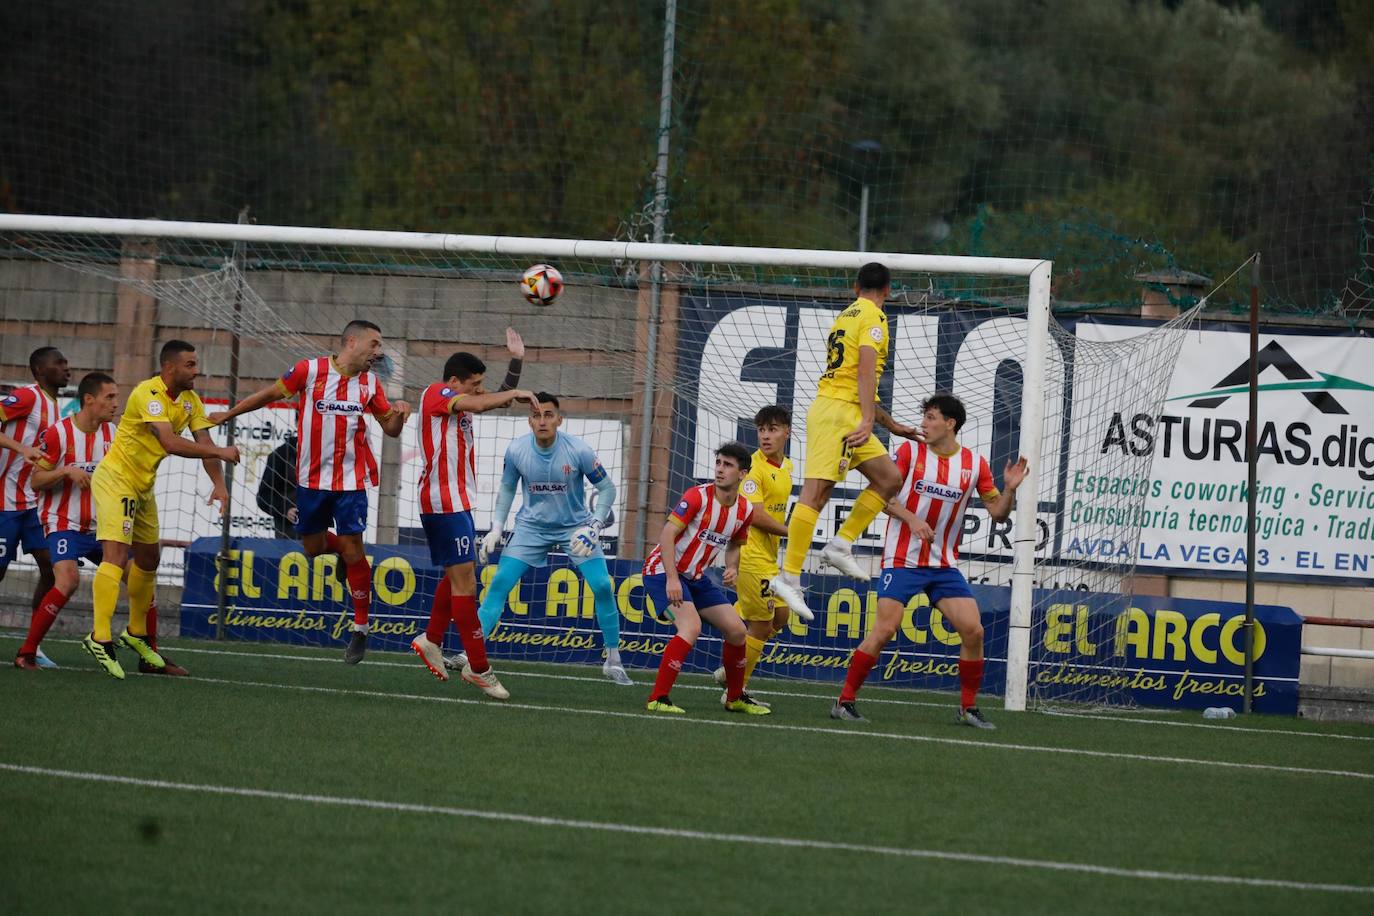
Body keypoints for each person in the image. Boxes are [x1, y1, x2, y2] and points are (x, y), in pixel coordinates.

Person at [209, 320, 411, 664]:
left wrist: (401, 415)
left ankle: (360, 629)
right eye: (374, 345)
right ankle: (345, 557)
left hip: (351, 481)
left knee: (354, 547)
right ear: (351, 341)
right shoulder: (310, 370)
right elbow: (270, 394)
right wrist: (229, 413)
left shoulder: (369, 384)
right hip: (311, 481)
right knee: (313, 548)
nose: (378, 352)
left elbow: (389, 429)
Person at [830, 393, 1027, 727]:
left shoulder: (974, 464)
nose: (923, 423)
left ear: (950, 424)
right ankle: (844, 702)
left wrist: (1009, 490)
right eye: (925, 417)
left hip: (943, 566)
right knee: (886, 629)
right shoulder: (909, 451)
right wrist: (912, 519)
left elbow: (997, 513)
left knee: (973, 630)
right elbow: (883, 496)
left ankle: (967, 708)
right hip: (901, 560)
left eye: (931, 417)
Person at [769, 263, 922, 619]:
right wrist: (870, 419)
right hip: (840, 413)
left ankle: (840, 544)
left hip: (847, 411)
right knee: (816, 493)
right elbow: (865, 370)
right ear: (888, 289)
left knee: (889, 478)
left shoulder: (846, 314)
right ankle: (788, 577)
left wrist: (890, 424)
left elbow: (855, 375)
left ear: (855, 287)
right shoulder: (873, 316)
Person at [83, 341, 239, 679]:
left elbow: (206, 446)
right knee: (116, 555)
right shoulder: (147, 394)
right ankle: (100, 636)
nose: (196, 370)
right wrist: (226, 453)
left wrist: (220, 483)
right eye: (190, 364)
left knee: (150, 558)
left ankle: (136, 633)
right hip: (116, 480)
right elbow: (170, 442)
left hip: (142, 485)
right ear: (169, 368)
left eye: (196, 363)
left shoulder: (190, 400)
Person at [455, 391, 631, 685]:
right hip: (531, 529)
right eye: (537, 415)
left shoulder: (579, 450)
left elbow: (608, 490)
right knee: (498, 583)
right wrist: (496, 527)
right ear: (529, 421)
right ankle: (471, 653)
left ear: (559, 420)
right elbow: (508, 489)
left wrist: (595, 526)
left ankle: (613, 659)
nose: (542, 421)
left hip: (575, 528)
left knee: (602, 585)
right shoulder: (516, 451)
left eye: (548, 415)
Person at [406, 351, 538, 699]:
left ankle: (431, 638)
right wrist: (512, 394)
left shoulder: (459, 401)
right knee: (466, 580)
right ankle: (478, 667)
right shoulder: (436, 393)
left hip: (459, 502)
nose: (480, 391)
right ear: (453, 383)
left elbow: (492, 402)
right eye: (474, 384)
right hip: (442, 502)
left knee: (457, 575)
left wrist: (516, 365)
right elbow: (484, 404)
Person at [642, 442, 771, 716]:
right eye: (719, 463)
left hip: (696, 578)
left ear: (742, 474)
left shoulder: (745, 510)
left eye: (728, 465)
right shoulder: (697, 496)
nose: (720, 470)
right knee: (691, 627)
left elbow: (735, 544)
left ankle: (734, 698)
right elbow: (666, 535)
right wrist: (673, 580)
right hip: (662, 571)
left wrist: (732, 567)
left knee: (737, 631)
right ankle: (658, 698)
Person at [16, 372, 116, 668]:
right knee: (68, 580)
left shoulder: (114, 434)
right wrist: (65, 471)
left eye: (116, 397)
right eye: (109, 397)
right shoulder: (58, 433)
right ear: (89, 400)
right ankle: (27, 652)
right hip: (63, 523)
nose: (115, 404)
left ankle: (150, 653)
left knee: (138, 574)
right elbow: (35, 481)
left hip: (102, 526)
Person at [710, 406, 804, 707]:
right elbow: (756, 515)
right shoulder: (754, 470)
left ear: (787, 432)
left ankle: (731, 667)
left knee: (781, 615)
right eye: (762, 429)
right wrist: (793, 531)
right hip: (750, 554)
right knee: (762, 627)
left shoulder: (787, 466)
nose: (765, 435)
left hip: (769, 557)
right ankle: (735, 690)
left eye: (773, 429)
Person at [0, 347, 70, 666]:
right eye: (59, 363)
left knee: (53, 570)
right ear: (40, 370)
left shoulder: (58, 408)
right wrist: (20, 447)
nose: (66, 368)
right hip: (4, 503)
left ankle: (32, 645)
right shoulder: (27, 397)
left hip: (34, 505)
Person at [256, 432, 299, 539]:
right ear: (297, 423)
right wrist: (285, 509)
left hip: (320, 532)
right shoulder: (280, 455)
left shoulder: (326, 453)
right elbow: (263, 496)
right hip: (289, 535)